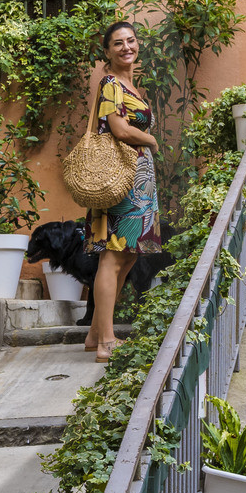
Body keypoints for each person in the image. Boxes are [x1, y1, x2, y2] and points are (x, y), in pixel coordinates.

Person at [83, 21, 161, 359]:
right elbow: (119, 129)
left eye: (131, 40)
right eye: (118, 43)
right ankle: (106, 343)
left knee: (127, 257)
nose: (126, 47)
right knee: (112, 259)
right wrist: (151, 139)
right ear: (107, 52)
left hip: (139, 183)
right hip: (122, 182)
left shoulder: (132, 85)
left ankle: (94, 334)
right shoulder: (112, 83)